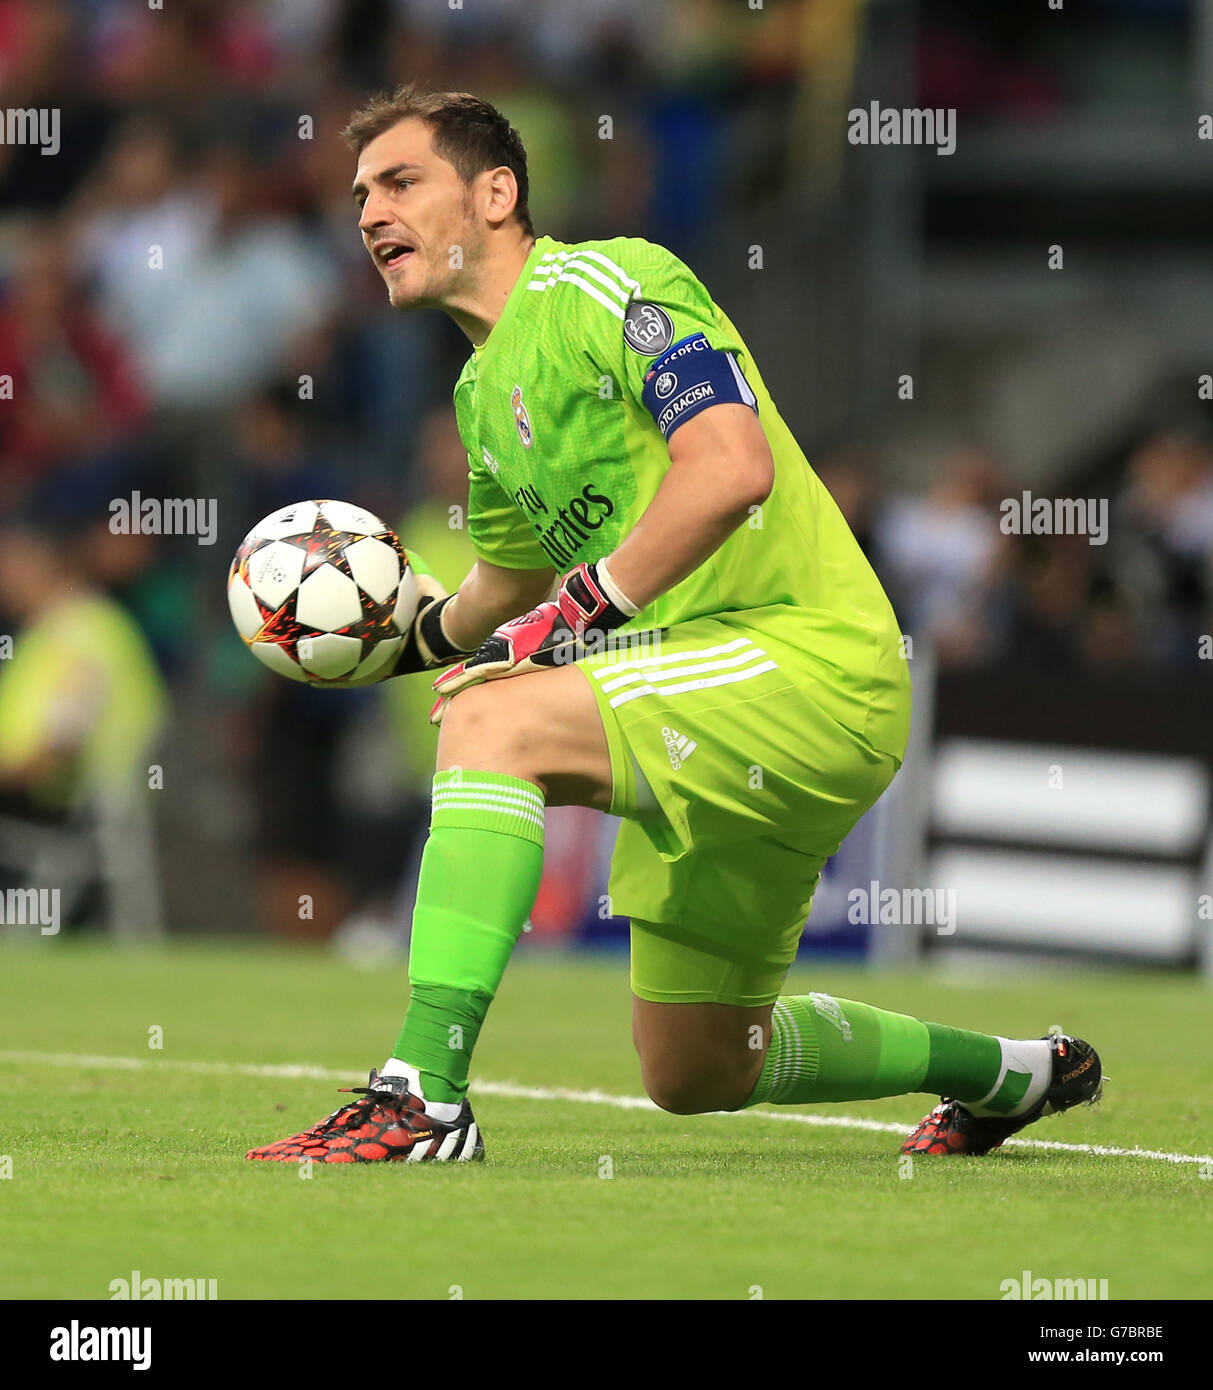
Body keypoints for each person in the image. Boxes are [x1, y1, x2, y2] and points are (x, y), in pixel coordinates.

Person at [247, 86, 1101, 1165]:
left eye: (402, 181)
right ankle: (1011, 1072)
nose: (368, 211)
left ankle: (423, 1095)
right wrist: (384, 638)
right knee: (700, 1068)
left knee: (493, 722)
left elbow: (730, 470)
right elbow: (498, 589)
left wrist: (581, 609)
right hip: (708, 711)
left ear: (497, 192)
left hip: (808, 663)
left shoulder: (615, 284)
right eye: (361, 192)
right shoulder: (481, 397)